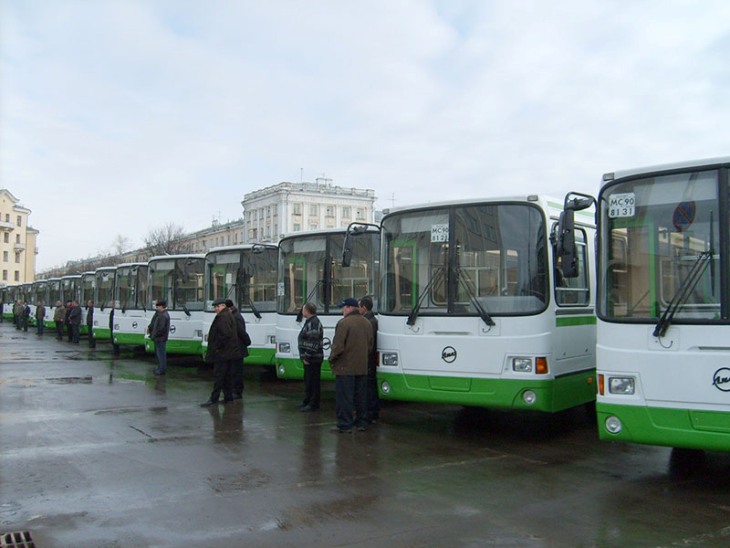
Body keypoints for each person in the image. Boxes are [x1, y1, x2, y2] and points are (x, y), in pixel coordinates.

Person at [329, 297, 373, 433]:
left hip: (345, 367)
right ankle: (362, 423)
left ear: (349, 308)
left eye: (344, 307)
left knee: (345, 398)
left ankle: (345, 424)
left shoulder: (343, 323)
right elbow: (370, 345)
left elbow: (338, 346)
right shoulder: (367, 323)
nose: (342, 310)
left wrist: (332, 359)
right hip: (362, 366)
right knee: (361, 397)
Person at [201, 298, 240, 406]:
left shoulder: (223, 317)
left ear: (223, 306)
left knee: (219, 376)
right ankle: (228, 398)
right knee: (226, 376)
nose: (215, 309)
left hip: (223, 353)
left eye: (217, 307)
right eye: (215, 307)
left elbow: (225, 334)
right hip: (228, 352)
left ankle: (214, 399)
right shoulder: (228, 315)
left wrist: (217, 347)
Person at [298, 302, 324, 412]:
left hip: (313, 359)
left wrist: (307, 357)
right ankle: (307, 401)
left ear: (307, 311)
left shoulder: (313, 323)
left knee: (313, 381)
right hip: (311, 358)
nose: (302, 311)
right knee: (309, 381)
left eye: (303, 309)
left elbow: (313, 341)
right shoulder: (310, 322)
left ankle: (313, 404)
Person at [225, 299, 251, 400]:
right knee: (233, 370)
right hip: (235, 349)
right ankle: (234, 390)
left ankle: (237, 391)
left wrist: (247, 342)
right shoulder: (234, 315)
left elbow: (241, 332)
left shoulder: (236, 317)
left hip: (238, 349)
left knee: (237, 371)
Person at [359, 296, 379, 423]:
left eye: (359, 306)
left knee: (368, 388)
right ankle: (372, 412)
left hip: (368, 359)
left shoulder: (369, 322)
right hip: (369, 358)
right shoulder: (371, 320)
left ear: (364, 308)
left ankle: (370, 413)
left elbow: (367, 342)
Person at [147, 299, 170, 375]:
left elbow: (161, 328)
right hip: (159, 338)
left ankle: (161, 369)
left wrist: (155, 334)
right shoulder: (162, 314)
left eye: (158, 306)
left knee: (161, 354)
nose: (157, 308)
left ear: (161, 306)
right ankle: (160, 368)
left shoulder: (163, 316)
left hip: (160, 338)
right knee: (159, 354)